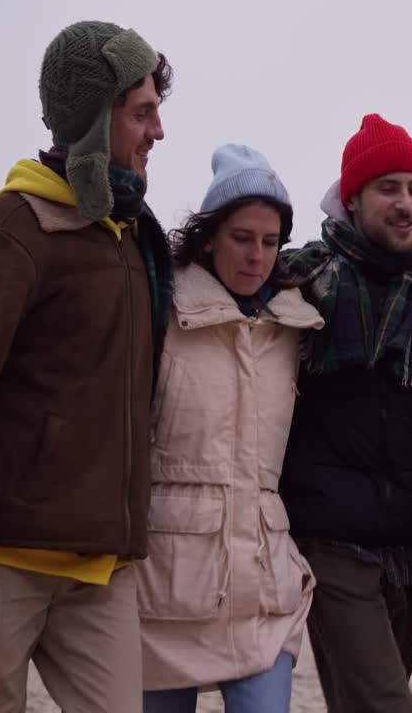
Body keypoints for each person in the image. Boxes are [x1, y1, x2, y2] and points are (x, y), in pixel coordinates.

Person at [0, 20, 173, 712]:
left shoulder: (131, 238)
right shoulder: (10, 234)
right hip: (3, 564)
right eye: (142, 112)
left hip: (101, 571)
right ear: (94, 118)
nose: (157, 132)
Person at [279, 114, 412, 713]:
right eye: (389, 188)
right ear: (353, 198)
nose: (407, 203)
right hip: (331, 543)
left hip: (411, 552)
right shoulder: (305, 281)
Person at [136, 145, 322, 713]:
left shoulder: (296, 328)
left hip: (264, 590)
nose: (257, 256)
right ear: (209, 236)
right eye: (242, 238)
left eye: (270, 242)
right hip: (164, 590)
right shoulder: (159, 310)